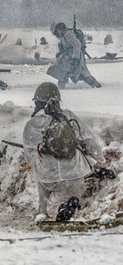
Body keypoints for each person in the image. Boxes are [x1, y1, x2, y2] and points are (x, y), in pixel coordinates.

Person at [23, 82, 104, 222]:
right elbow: (89, 140)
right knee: (70, 189)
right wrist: (101, 163)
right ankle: (69, 202)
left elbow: (29, 156)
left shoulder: (32, 124)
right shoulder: (68, 117)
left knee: (42, 179)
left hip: (48, 176)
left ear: (37, 102)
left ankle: (50, 210)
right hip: (75, 173)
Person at [47, 22, 101, 89]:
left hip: (76, 58)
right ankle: (61, 87)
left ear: (60, 29)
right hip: (71, 58)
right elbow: (68, 47)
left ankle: (97, 85)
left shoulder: (68, 34)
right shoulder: (65, 36)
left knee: (82, 74)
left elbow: (77, 44)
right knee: (69, 73)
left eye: (57, 31)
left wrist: (75, 58)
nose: (57, 33)